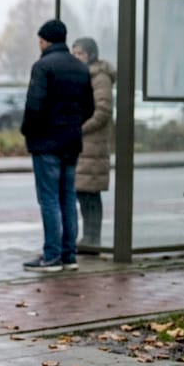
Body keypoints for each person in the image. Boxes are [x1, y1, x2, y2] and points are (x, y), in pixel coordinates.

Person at [21, 19, 94, 272]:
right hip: (71, 142)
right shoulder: (81, 68)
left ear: (46, 40)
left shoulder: (42, 66)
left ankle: (51, 256)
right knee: (67, 198)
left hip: (46, 143)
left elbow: (34, 107)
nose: (39, 45)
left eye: (40, 40)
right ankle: (68, 255)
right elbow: (89, 108)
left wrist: (28, 133)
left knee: (49, 199)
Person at [71, 37, 116, 252]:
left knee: (90, 193)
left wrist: (81, 128)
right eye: (74, 53)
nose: (76, 57)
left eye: (80, 53)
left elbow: (103, 111)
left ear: (90, 55)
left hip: (93, 143)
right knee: (83, 191)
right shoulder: (83, 75)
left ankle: (92, 238)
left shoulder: (99, 78)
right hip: (84, 143)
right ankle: (88, 237)